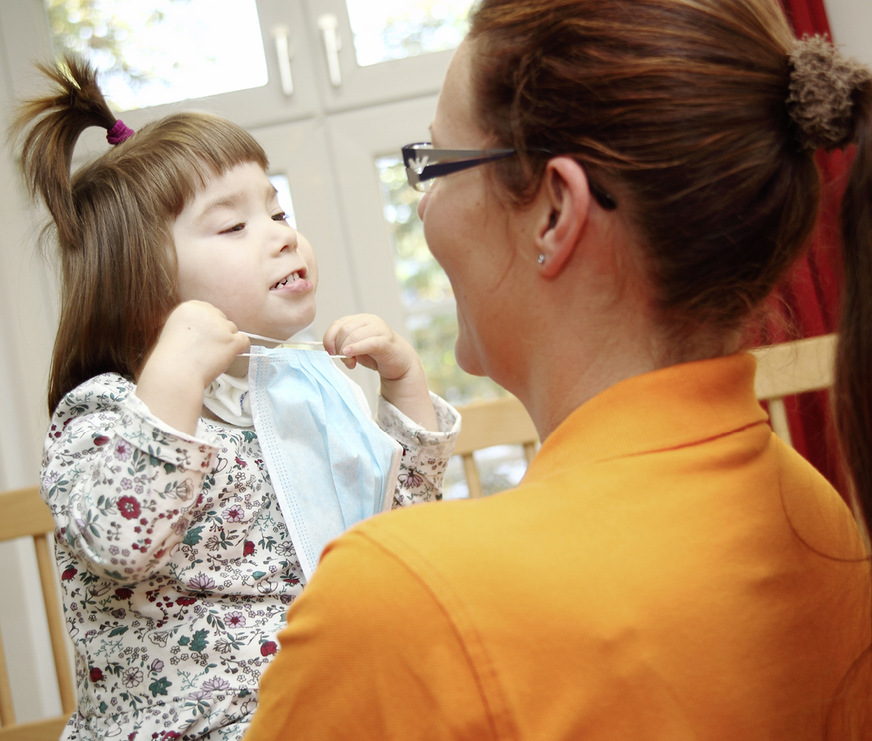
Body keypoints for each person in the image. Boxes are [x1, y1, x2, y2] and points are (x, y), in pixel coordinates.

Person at [244, 0, 872, 739]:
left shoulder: (399, 603)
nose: (425, 212)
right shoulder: (819, 516)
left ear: (554, 214)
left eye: (438, 164)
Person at [9, 56, 459, 740]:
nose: (282, 233)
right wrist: (173, 380)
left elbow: (391, 537)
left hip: (310, 711)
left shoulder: (299, 387)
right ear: (143, 279)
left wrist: (404, 386)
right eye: (233, 226)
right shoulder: (106, 410)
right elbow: (121, 541)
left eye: (277, 209)